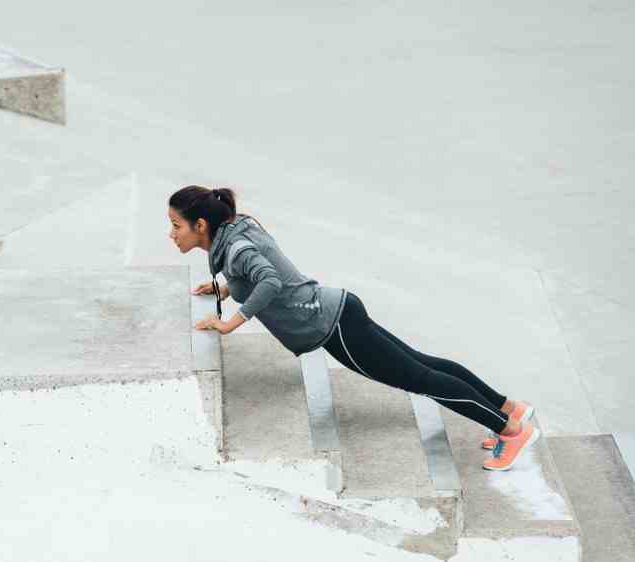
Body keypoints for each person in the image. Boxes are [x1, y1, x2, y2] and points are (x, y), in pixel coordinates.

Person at [168, 185, 539, 471]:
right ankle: (510, 409)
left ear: (201, 226)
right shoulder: (237, 230)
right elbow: (262, 274)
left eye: (176, 226)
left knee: (422, 380)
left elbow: (269, 281)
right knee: (425, 365)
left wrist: (233, 320)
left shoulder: (233, 250)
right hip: (340, 308)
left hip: (331, 326)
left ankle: (511, 431)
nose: (172, 235)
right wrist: (225, 287)